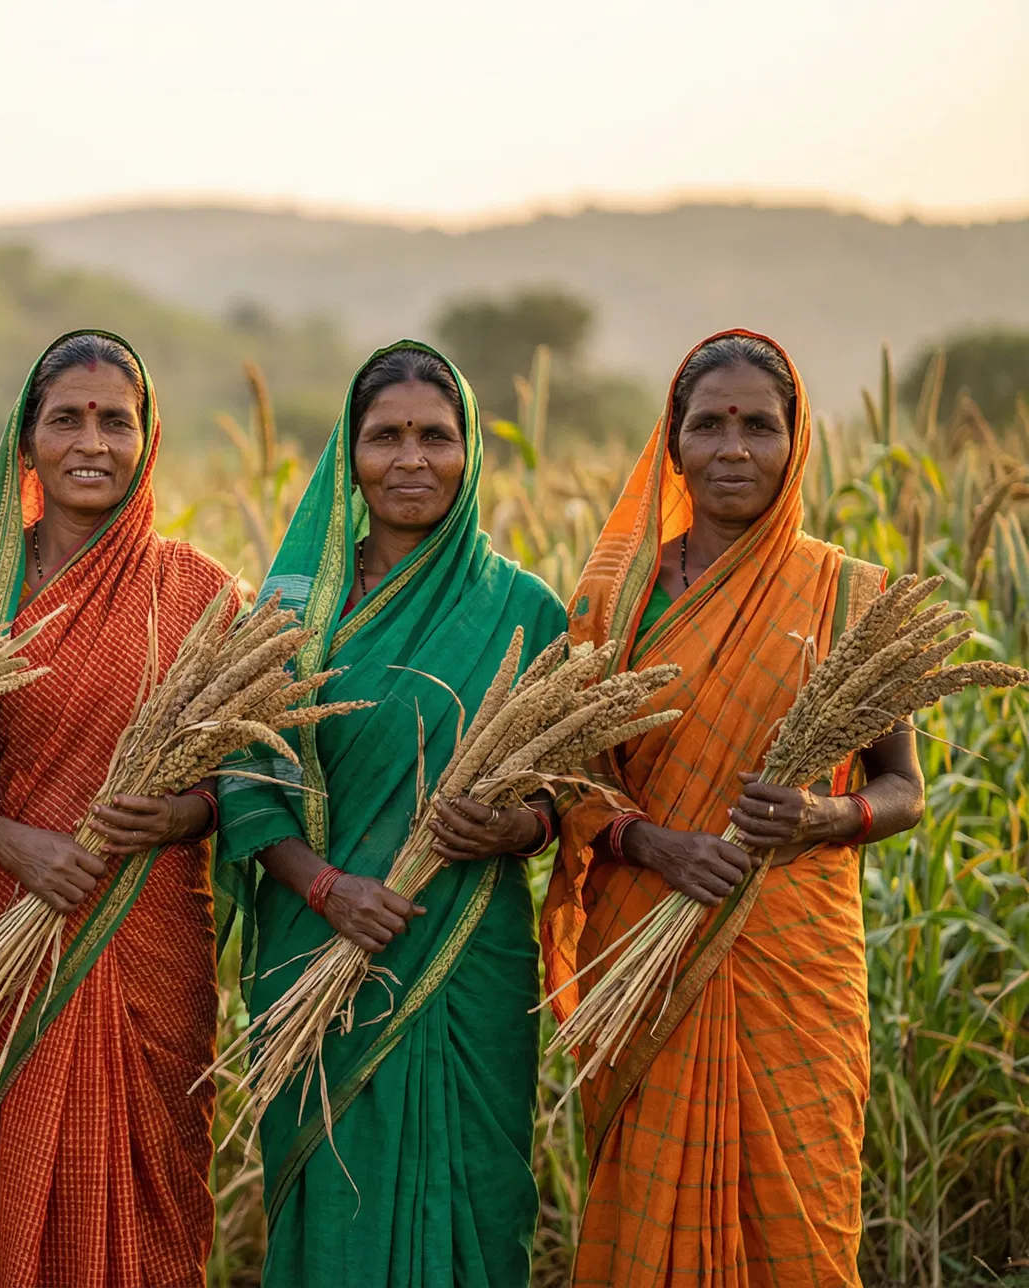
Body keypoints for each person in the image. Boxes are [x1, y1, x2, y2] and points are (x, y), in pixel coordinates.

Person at [541, 329, 924, 1285]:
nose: (733, 448)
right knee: (650, 1201)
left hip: (793, 954)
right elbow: (569, 784)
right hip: (643, 947)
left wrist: (825, 820)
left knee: (796, 1210)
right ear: (672, 444)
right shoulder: (611, 600)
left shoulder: (850, 595)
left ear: (798, 442)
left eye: (759, 425)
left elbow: (904, 789)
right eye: (707, 424)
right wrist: (658, 844)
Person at [215, 341, 567, 1286]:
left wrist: (513, 830)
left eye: (436, 437)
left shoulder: (525, 609)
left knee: (475, 1190)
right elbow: (245, 782)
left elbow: (567, 791)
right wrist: (329, 890)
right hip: (318, 951)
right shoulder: (292, 609)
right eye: (386, 437)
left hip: (466, 953)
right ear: (347, 454)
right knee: (336, 1189)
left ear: (471, 453)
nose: (412, 460)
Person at [0, 330, 234, 1288]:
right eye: (66, 419)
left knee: (150, 1195)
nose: (93, 441)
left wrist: (178, 816)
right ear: (27, 442)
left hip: (146, 936)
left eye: (115, 420)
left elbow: (256, 775)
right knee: (11, 1195)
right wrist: (9, 840)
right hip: (4, 929)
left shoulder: (201, 596)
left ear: (147, 438)